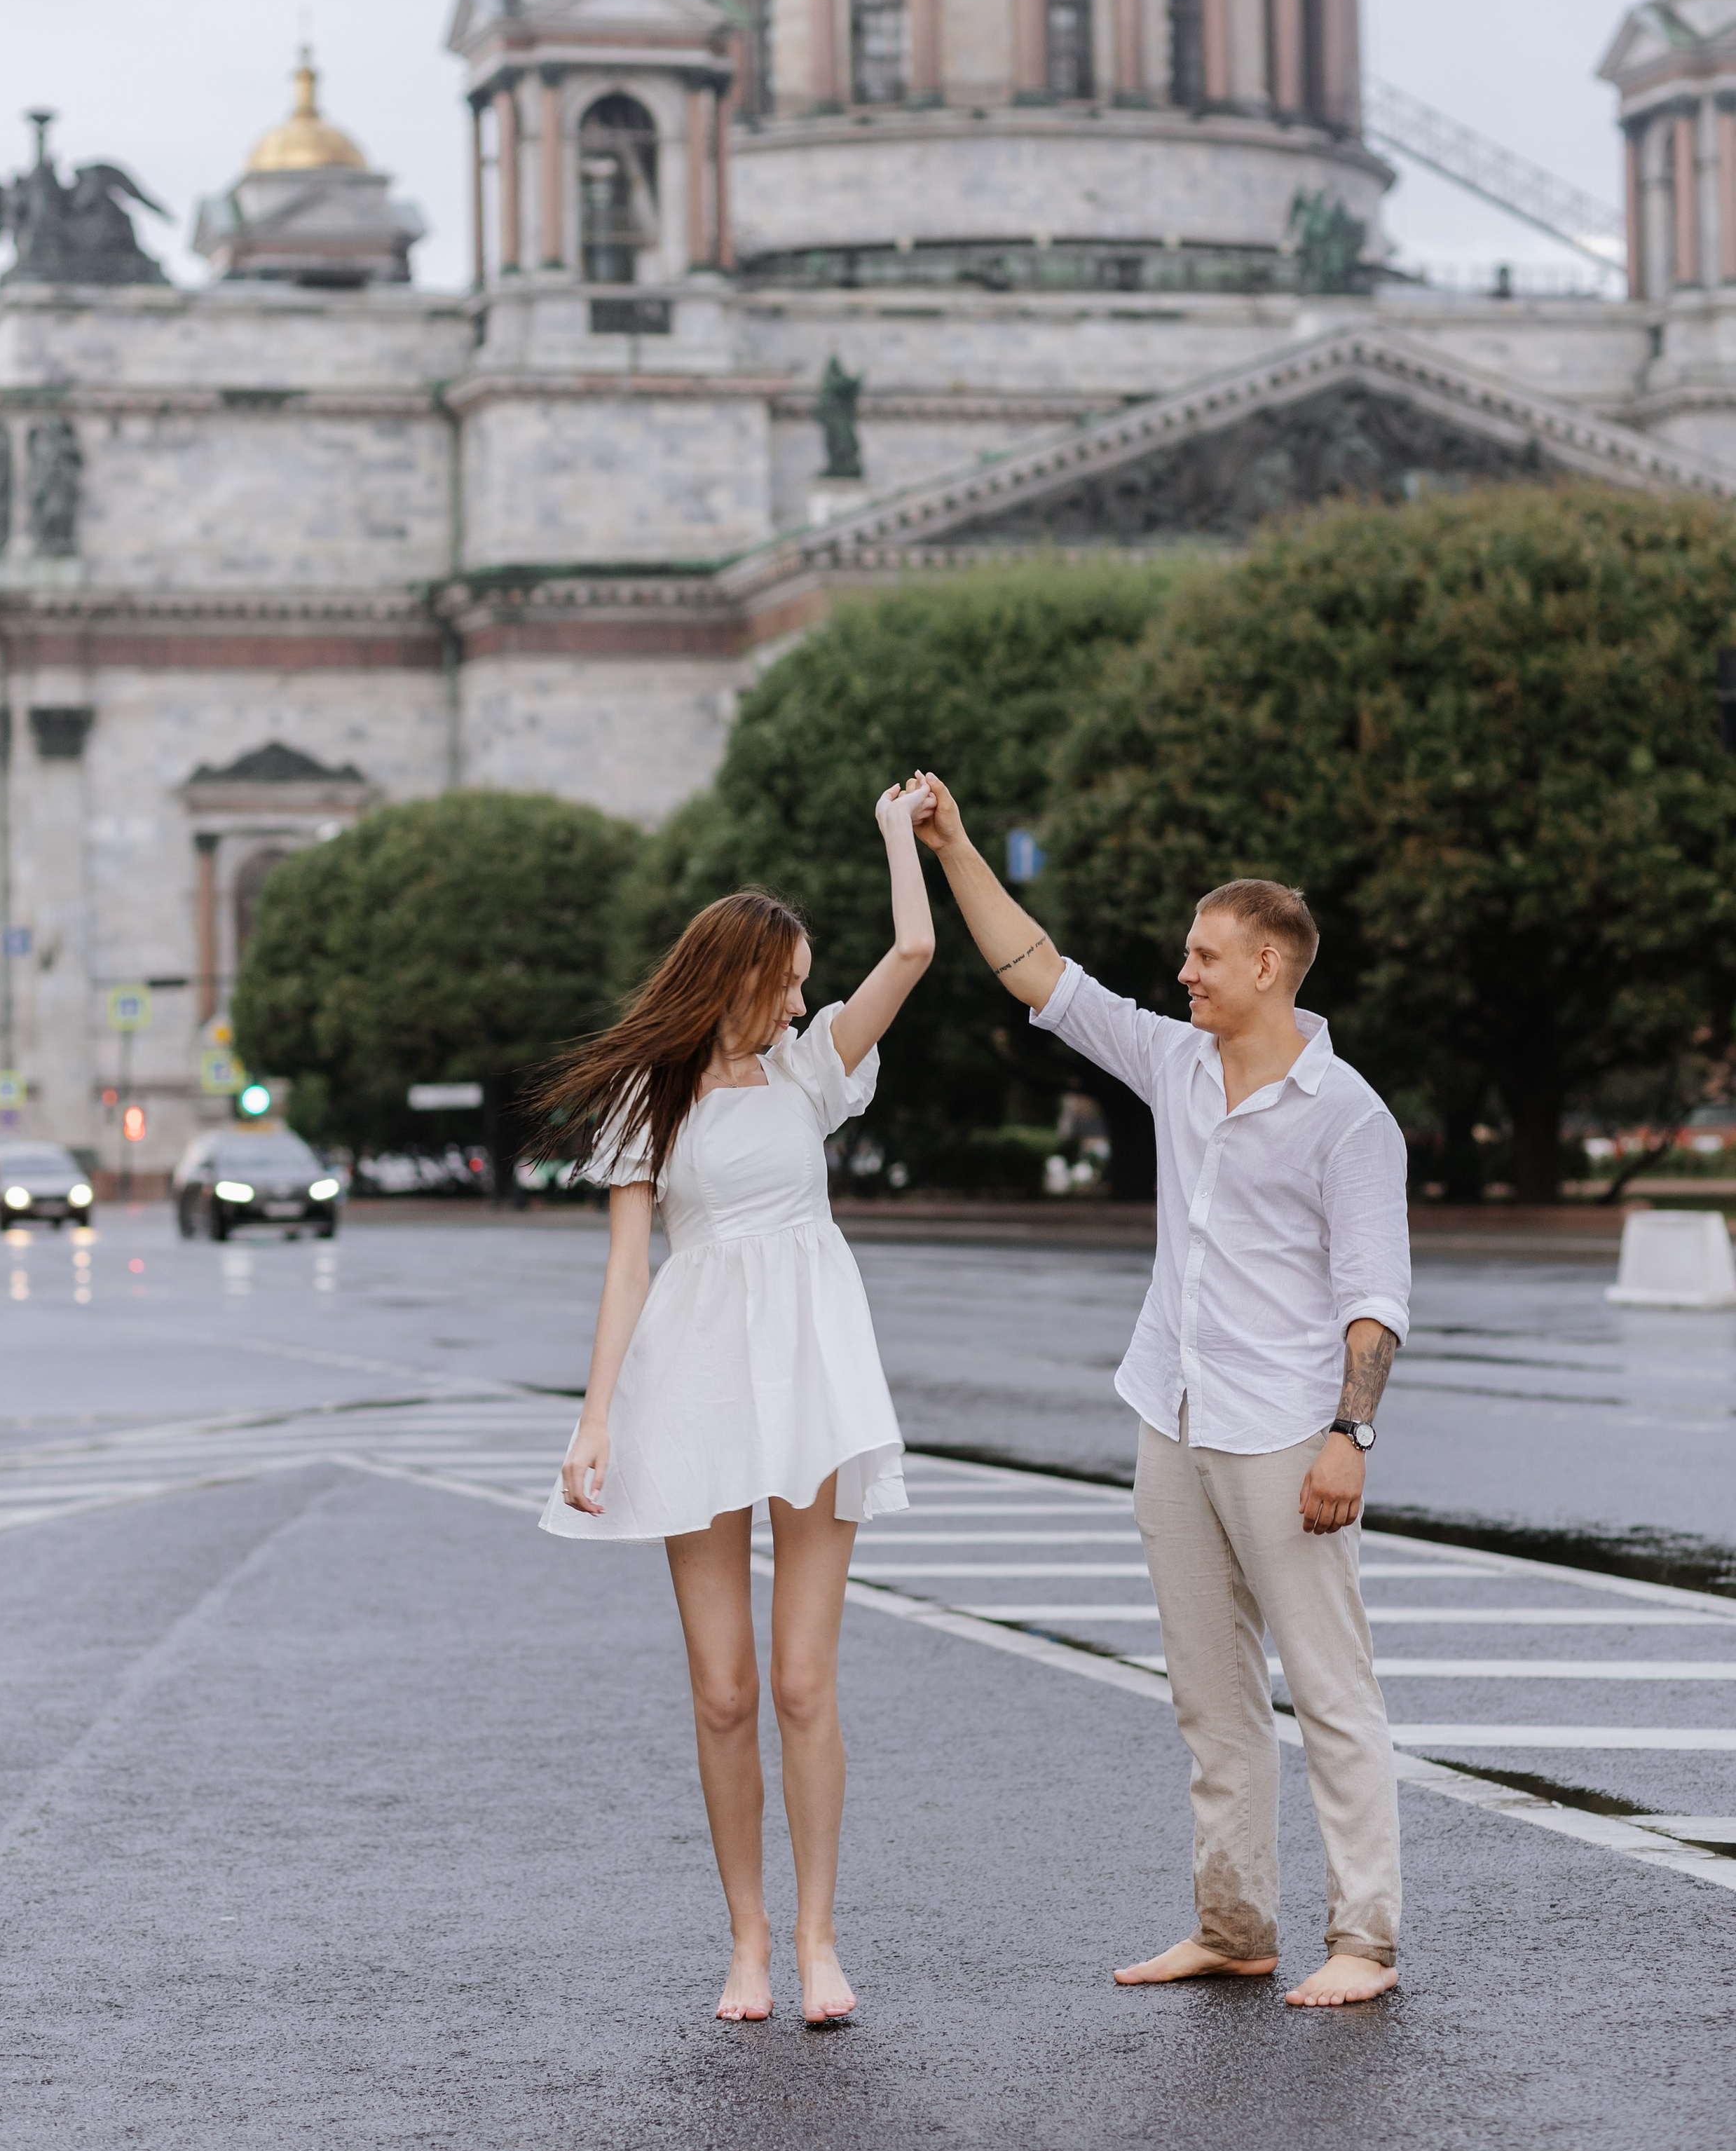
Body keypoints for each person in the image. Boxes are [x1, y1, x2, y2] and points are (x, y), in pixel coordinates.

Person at [908, 773, 1409, 2009]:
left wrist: (1350, 1436)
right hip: (1173, 1416)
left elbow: (1375, 1297)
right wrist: (955, 848)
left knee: (1331, 1695)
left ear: (1272, 966)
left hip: (1286, 1433)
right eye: (1186, 956)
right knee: (1210, 1696)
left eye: (1205, 955)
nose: (1184, 974)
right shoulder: (1178, 1066)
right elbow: (1042, 975)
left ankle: (1368, 1943)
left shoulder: (1349, 1117)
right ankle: (1234, 1926)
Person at [535, 785, 936, 2026]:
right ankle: (749, 1942)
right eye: (790, 983)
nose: (805, 1002)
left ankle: (820, 1940)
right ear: (740, 976)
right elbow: (625, 1269)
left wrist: (894, 833)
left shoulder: (814, 1075)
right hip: (695, 1379)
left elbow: (916, 951)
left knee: (804, 1682)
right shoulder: (645, 1096)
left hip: (813, 1369)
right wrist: (592, 1422)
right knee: (722, 1689)